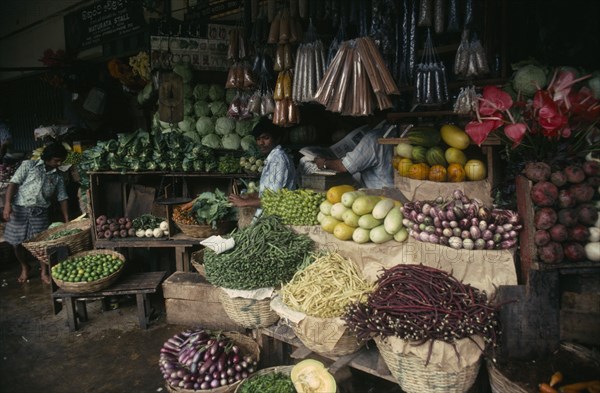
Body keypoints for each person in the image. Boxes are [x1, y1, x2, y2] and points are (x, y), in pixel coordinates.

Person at [3, 142, 69, 284]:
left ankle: (44, 272)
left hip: (40, 211)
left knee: (41, 244)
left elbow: (62, 197)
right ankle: (24, 266)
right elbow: (13, 183)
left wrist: (67, 219)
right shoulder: (29, 165)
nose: (58, 163)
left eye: (60, 161)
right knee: (16, 243)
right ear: (47, 157)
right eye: (56, 160)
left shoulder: (58, 176)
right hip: (19, 209)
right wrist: (7, 205)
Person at [228, 117, 296, 215]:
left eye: (266, 138)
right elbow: (269, 193)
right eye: (258, 139)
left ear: (277, 138)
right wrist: (250, 196)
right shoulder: (273, 158)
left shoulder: (278, 160)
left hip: (277, 218)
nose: (261, 143)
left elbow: (273, 200)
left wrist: (244, 202)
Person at [313, 117, 395, 190]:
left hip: (379, 195)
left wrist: (324, 162)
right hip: (395, 191)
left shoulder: (373, 138)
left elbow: (344, 166)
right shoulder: (396, 133)